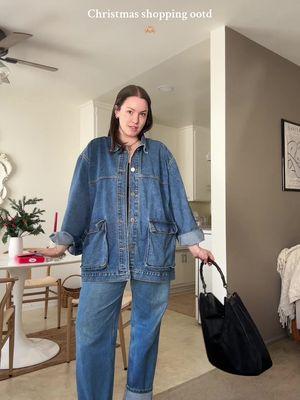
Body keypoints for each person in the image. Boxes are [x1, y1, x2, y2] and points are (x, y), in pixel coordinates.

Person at [30, 85, 215, 400]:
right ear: (116, 110)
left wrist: (194, 244)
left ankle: (138, 395)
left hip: (152, 251)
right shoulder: (95, 152)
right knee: (90, 334)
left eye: (142, 114)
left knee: (146, 331)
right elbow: (79, 200)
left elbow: (177, 199)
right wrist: (63, 242)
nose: (136, 120)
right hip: (104, 252)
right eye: (130, 111)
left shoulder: (160, 154)